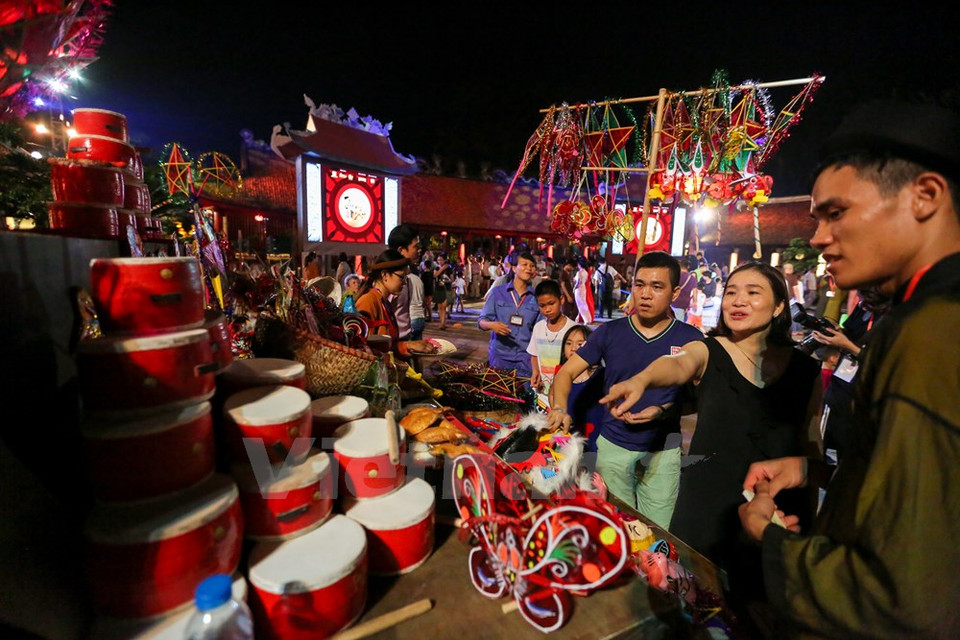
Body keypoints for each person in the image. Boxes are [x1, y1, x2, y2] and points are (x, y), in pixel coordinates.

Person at [737, 98, 960, 638]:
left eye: (836, 213)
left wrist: (773, 543)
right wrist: (822, 473)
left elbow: (904, 598)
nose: (816, 237)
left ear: (925, 196)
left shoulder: (930, 333)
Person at [601, 261, 823, 605]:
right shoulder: (710, 349)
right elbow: (677, 363)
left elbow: (812, 444)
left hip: (778, 507)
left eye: (753, 293)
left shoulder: (806, 370)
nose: (737, 301)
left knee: (761, 609)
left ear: (779, 305)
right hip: (709, 506)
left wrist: (813, 518)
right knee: (695, 603)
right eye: (731, 292)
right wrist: (641, 380)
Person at [549, 251, 703, 527]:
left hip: (663, 451)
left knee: (657, 533)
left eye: (657, 287)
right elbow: (566, 374)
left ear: (675, 292)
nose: (645, 294)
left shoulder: (690, 339)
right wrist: (560, 408)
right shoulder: (610, 332)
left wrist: (664, 410)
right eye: (639, 284)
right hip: (613, 449)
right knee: (616, 529)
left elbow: (698, 399)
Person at [811, 287, 890, 463]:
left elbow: (879, 359)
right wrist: (832, 333)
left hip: (862, 392)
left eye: (864, 298)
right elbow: (848, 333)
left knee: (853, 453)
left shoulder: (890, 317)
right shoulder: (863, 308)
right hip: (840, 386)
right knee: (832, 441)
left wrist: (847, 345)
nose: (860, 302)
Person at [354, 250, 436, 359]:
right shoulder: (368, 301)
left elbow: (388, 345)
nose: (405, 282)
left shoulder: (385, 302)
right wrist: (406, 346)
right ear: (385, 275)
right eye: (401, 277)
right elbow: (363, 347)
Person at [478, 251, 541, 378]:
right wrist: (492, 325)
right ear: (513, 268)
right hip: (500, 356)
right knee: (499, 393)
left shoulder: (537, 297)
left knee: (523, 395)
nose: (529, 268)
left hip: (526, 358)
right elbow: (481, 322)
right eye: (524, 264)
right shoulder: (497, 293)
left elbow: (540, 331)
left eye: (531, 265)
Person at [551, 324, 604, 453]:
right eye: (568, 343)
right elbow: (553, 399)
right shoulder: (559, 375)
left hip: (595, 435)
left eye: (580, 344)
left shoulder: (601, 374)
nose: (573, 348)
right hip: (569, 435)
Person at [526, 279, 576, 409]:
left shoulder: (573, 329)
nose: (547, 309)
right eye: (542, 306)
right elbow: (534, 354)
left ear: (562, 300)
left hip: (564, 394)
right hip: (542, 393)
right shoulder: (538, 328)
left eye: (551, 303)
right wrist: (535, 371)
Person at [387, 224, 426, 341]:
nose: (420, 250)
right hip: (396, 344)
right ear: (401, 250)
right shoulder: (391, 279)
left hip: (406, 342)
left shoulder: (408, 276)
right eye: (416, 246)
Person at [672, 256, 697, 321]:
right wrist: (695, 302)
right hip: (683, 304)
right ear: (688, 267)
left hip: (673, 301)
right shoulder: (692, 278)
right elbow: (695, 291)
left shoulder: (675, 275)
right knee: (679, 323)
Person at [433, 253, 452, 329]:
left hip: (446, 288)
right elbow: (435, 275)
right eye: (438, 260)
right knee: (440, 307)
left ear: (444, 260)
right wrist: (442, 268)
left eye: (441, 260)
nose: (439, 261)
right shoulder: (437, 268)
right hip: (438, 288)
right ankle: (442, 322)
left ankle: (443, 323)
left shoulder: (449, 269)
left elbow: (452, 278)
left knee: (444, 306)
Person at [572, 257, 594, 324]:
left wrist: (574, 288)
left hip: (579, 289)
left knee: (580, 304)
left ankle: (586, 319)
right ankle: (586, 318)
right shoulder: (586, 272)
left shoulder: (579, 272)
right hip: (584, 288)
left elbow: (578, 282)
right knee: (583, 303)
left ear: (579, 264)